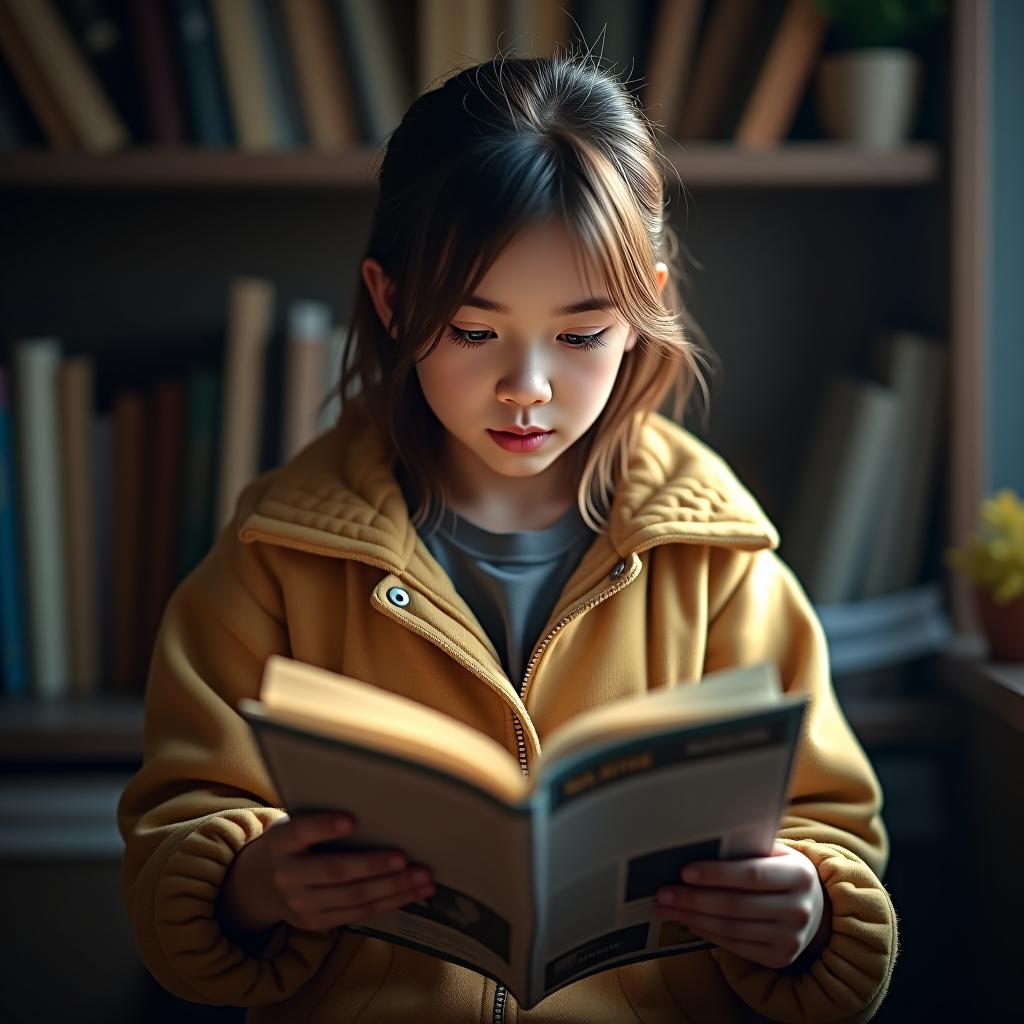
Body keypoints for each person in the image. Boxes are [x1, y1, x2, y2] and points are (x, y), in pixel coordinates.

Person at [118, 49, 898, 1024]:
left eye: (580, 335)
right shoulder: (276, 561)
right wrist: (251, 886)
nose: (526, 386)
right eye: (474, 331)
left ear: (643, 306)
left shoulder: (721, 568)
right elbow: (170, 850)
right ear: (392, 300)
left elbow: (834, 832)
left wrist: (811, 910)